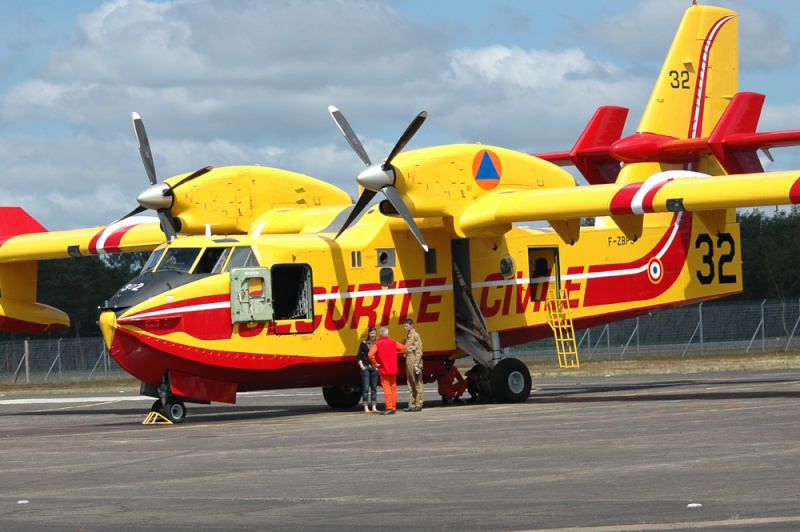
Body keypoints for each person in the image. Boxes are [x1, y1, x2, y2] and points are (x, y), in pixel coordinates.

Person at [368, 327, 406, 415]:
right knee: (393, 388)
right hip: (393, 369)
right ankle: (393, 407)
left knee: (387, 389)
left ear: (380, 335)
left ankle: (389, 407)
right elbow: (404, 348)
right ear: (388, 334)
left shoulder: (377, 344)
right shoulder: (393, 342)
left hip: (383, 369)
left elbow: (370, 354)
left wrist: (375, 363)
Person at [403, 318, 424, 412]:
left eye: (406, 326)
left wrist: (416, 364)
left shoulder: (415, 336)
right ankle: (411, 404)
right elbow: (412, 348)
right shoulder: (409, 336)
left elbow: (419, 351)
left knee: (417, 383)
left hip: (414, 360)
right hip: (409, 359)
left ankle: (418, 404)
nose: (404, 327)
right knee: (411, 383)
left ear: (412, 325)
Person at [357, 327, 379, 413]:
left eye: (374, 333)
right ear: (369, 334)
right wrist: (362, 366)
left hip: (374, 367)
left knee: (374, 387)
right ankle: (366, 407)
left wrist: (377, 365)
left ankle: (374, 406)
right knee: (366, 388)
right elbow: (359, 355)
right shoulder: (364, 343)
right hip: (366, 366)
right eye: (371, 333)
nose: (373, 335)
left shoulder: (378, 343)